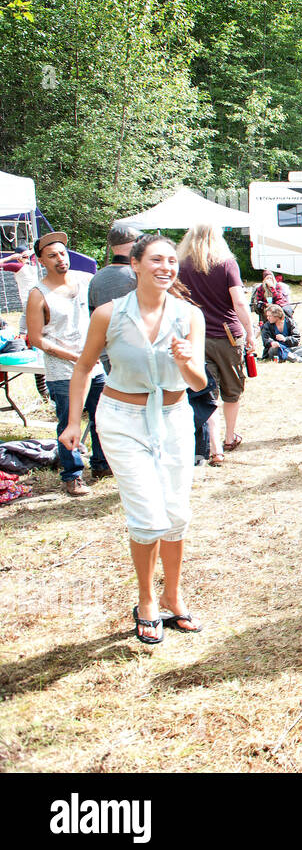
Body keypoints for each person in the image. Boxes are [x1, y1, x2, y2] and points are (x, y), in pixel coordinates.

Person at [59, 234, 208, 643]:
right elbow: (84, 366)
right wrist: (74, 423)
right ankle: (145, 601)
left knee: (176, 515)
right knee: (148, 517)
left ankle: (173, 597)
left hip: (175, 417)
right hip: (122, 419)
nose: (166, 267)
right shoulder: (108, 314)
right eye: (157, 259)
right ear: (136, 265)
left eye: (172, 261)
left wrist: (186, 361)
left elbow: (198, 383)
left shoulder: (188, 315)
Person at [27, 231, 111, 495]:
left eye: (62, 253)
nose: (60, 259)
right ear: (40, 260)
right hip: (63, 370)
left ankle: (101, 464)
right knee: (68, 422)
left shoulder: (86, 281)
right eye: (52, 256)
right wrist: (75, 356)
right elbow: (37, 338)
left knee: (102, 417)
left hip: (95, 366)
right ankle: (72, 474)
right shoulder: (38, 294)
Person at [177, 223, 256, 456]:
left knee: (205, 392)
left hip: (195, 336)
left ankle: (214, 447)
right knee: (232, 390)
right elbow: (239, 302)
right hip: (227, 335)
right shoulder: (226, 264)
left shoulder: (181, 266)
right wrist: (250, 331)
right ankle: (230, 436)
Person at [87, 224, 143, 373]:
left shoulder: (97, 277)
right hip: (134, 354)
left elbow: (92, 314)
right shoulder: (135, 276)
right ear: (135, 244)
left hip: (106, 352)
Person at [6, 245, 48, 398]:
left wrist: (24, 254)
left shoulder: (29, 265)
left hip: (36, 303)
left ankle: (45, 391)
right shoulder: (19, 265)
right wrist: (13, 257)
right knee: (33, 343)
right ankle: (44, 391)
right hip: (30, 305)